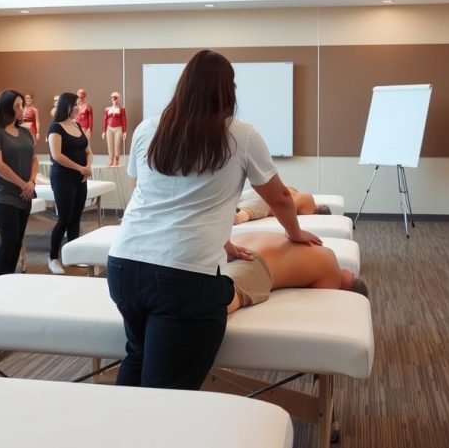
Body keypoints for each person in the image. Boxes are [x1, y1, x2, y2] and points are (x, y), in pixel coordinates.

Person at [107, 49, 321, 391]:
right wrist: (295, 233)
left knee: (137, 354)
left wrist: (223, 242)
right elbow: (280, 198)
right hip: (182, 276)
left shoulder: (149, 128)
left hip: (123, 265)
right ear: (228, 90)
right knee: (165, 389)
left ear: (183, 86)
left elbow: (167, 197)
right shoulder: (242, 134)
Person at [222, 231, 368, 314]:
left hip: (232, 242)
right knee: (215, 304)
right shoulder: (332, 281)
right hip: (255, 263)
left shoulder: (325, 251)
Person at [0, 90, 38, 276]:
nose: (22, 109)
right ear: (6, 108)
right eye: (17, 105)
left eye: (22, 105)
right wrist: (23, 185)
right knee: (9, 239)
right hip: (2, 194)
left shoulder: (25, 132)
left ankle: (9, 281)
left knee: (17, 240)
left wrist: (31, 182)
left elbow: (34, 160)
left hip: (25, 194)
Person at [47, 92, 93, 275]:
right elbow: (57, 155)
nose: (78, 107)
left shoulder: (77, 125)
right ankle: (53, 257)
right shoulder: (55, 128)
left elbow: (88, 150)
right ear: (67, 105)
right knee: (64, 218)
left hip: (80, 177)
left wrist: (87, 167)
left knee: (76, 218)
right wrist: (79, 168)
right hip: (63, 177)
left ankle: (73, 255)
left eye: (79, 104)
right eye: (75, 104)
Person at [234, 186, 332, 224]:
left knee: (231, 200)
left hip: (262, 190)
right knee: (241, 217)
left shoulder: (304, 196)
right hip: (268, 203)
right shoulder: (309, 211)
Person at [102, 91, 127, 167]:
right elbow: (105, 120)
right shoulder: (107, 109)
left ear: (118, 98)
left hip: (118, 128)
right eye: (112, 97)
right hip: (109, 128)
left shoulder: (121, 109)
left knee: (117, 145)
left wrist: (124, 131)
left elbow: (124, 120)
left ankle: (116, 161)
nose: (114, 99)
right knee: (109, 145)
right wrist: (103, 131)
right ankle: (110, 160)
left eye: (115, 97)